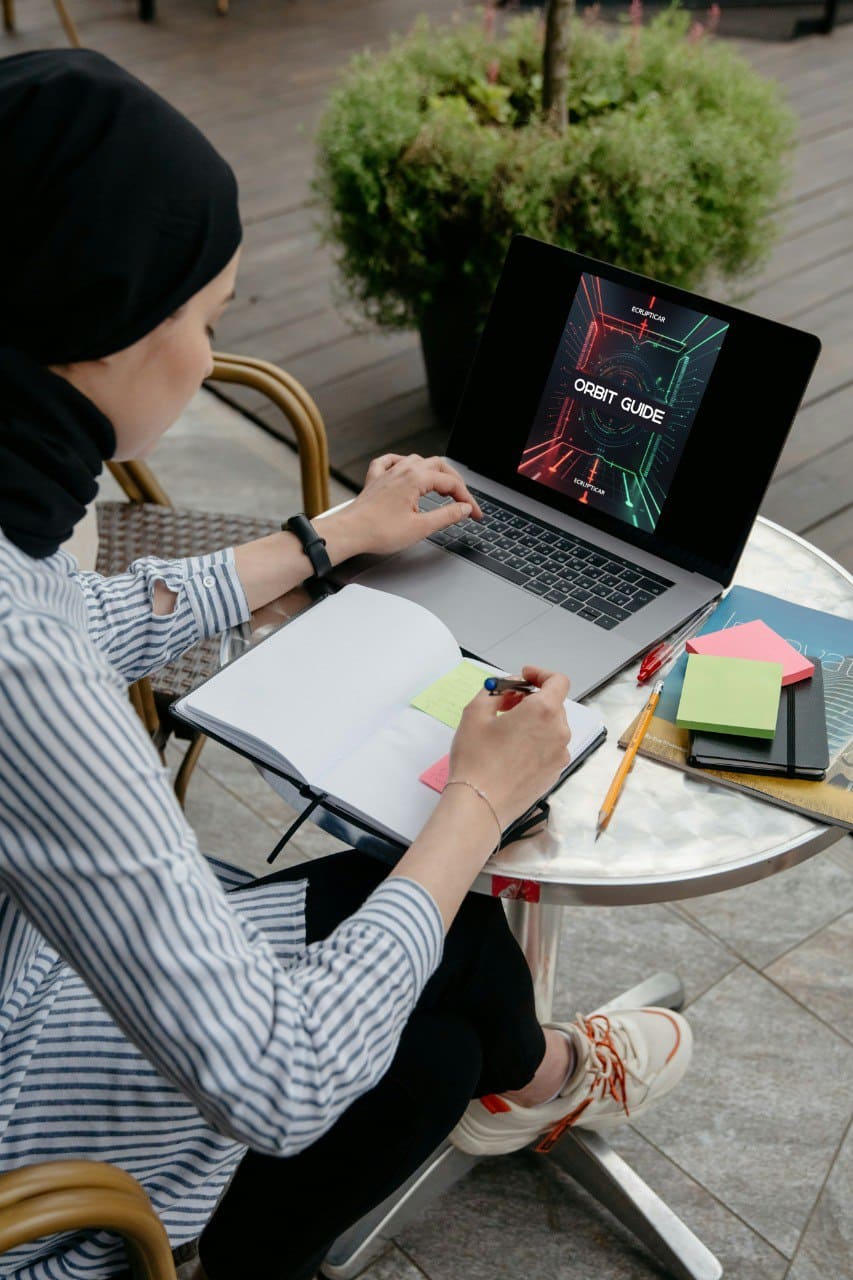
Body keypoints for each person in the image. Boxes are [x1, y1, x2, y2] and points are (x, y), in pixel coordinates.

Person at [0, 48, 692, 1280]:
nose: (210, 362)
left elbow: (71, 624)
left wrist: (330, 538)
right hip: (33, 1132)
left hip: (25, 959)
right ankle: (546, 1078)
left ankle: (529, 1078)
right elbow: (280, 1076)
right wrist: (479, 795)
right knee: (424, 973)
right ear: (95, 322)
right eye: (204, 320)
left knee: (434, 1019)